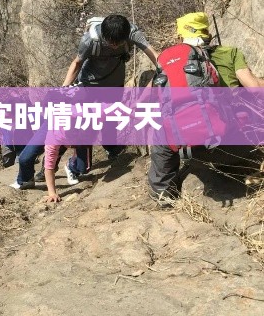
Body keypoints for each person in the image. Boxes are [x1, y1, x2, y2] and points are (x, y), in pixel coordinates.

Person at [147, 12, 264, 207]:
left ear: (179, 38)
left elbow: (146, 99)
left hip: (194, 153)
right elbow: (255, 89)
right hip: (237, 148)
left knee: (161, 131)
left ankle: (164, 196)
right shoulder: (230, 53)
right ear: (208, 34)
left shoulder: (171, 64)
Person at [38, 14, 159, 201]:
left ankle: (109, 150)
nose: (115, 46)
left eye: (119, 43)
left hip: (114, 84)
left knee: (106, 122)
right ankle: (65, 165)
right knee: (76, 138)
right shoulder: (90, 40)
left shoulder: (131, 33)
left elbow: (155, 56)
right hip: (88, 86)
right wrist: (63, 90)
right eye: (111, 42)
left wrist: (160, 75)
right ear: (104, 34)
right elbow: (76, 63)